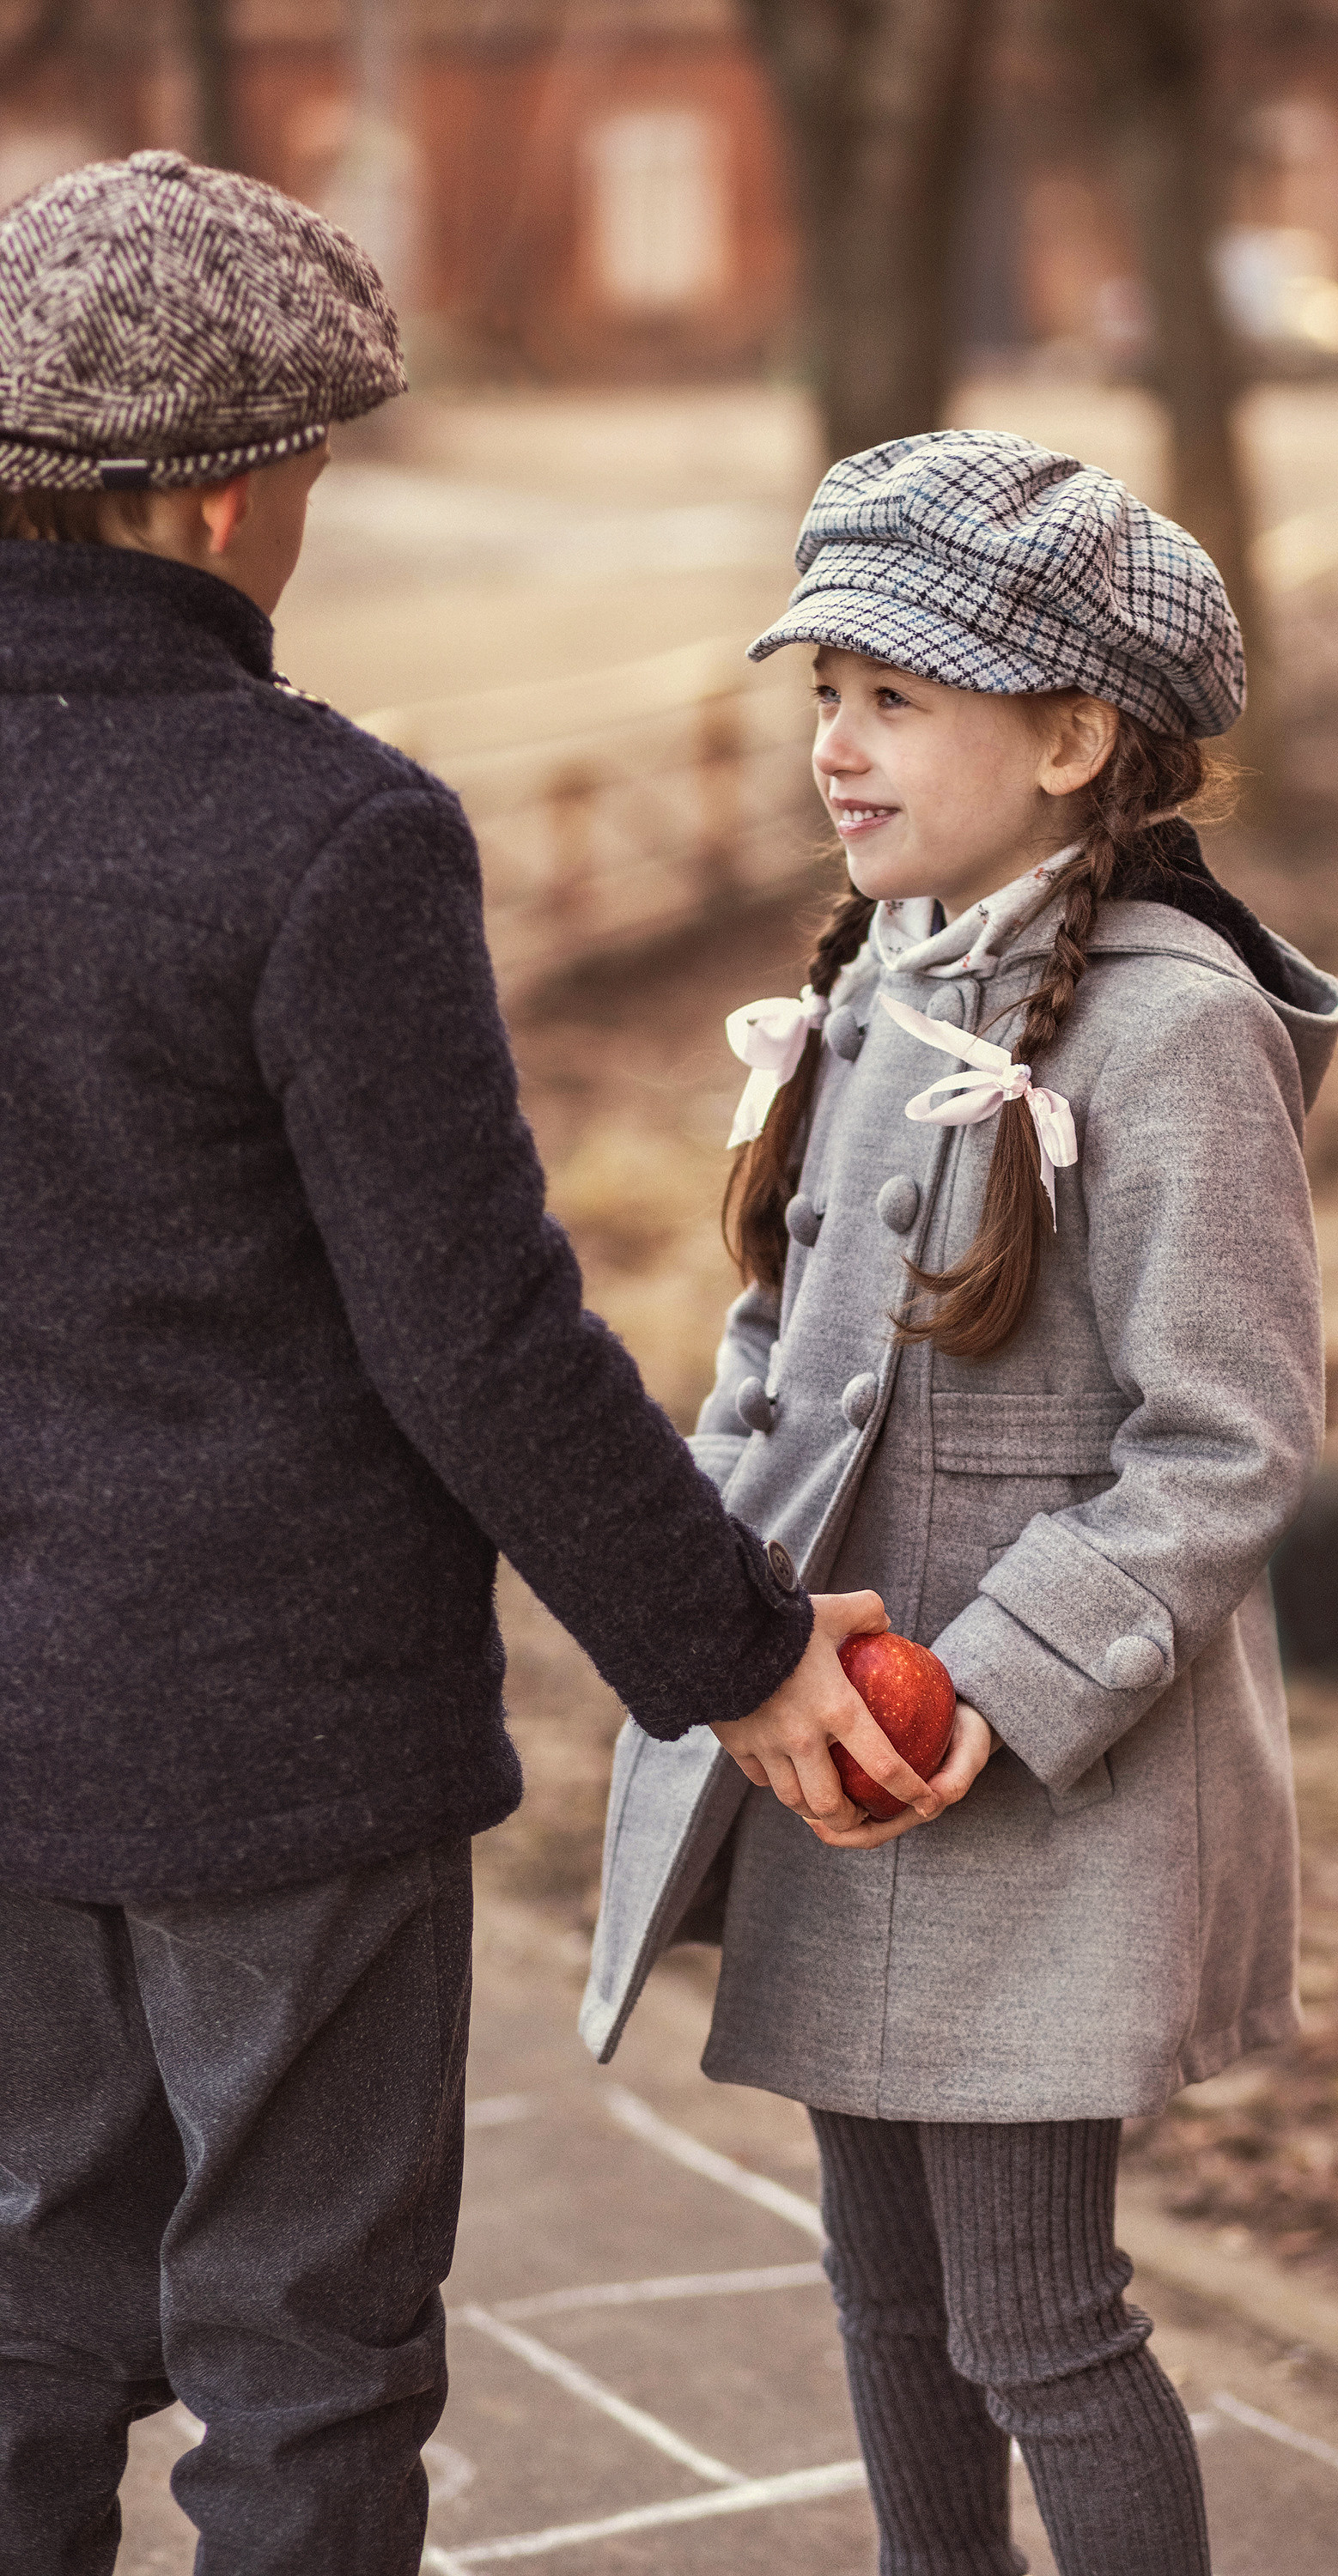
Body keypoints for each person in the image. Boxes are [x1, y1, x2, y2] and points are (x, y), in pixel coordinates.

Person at [0, 151, 928, 2576]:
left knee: (12, 2330)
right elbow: (471, 1327)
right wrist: (731, 1653)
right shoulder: (326, 834)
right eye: (310, 470)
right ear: (219, 494)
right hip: (267, 1734)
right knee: (301, 2368)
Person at [582, 428, 1338, 2575]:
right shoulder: (876, 971)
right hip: (837, 1749)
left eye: (894, 699)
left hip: (1026, 1790)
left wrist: (991, 1685)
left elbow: (1228, 1439)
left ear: (1071, 732)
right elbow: (774, 1345)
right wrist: (728, 1632)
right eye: (824, 690)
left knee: (1037, 2321)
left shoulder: (1165, 1027)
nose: (835, 746)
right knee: (883, 2291)